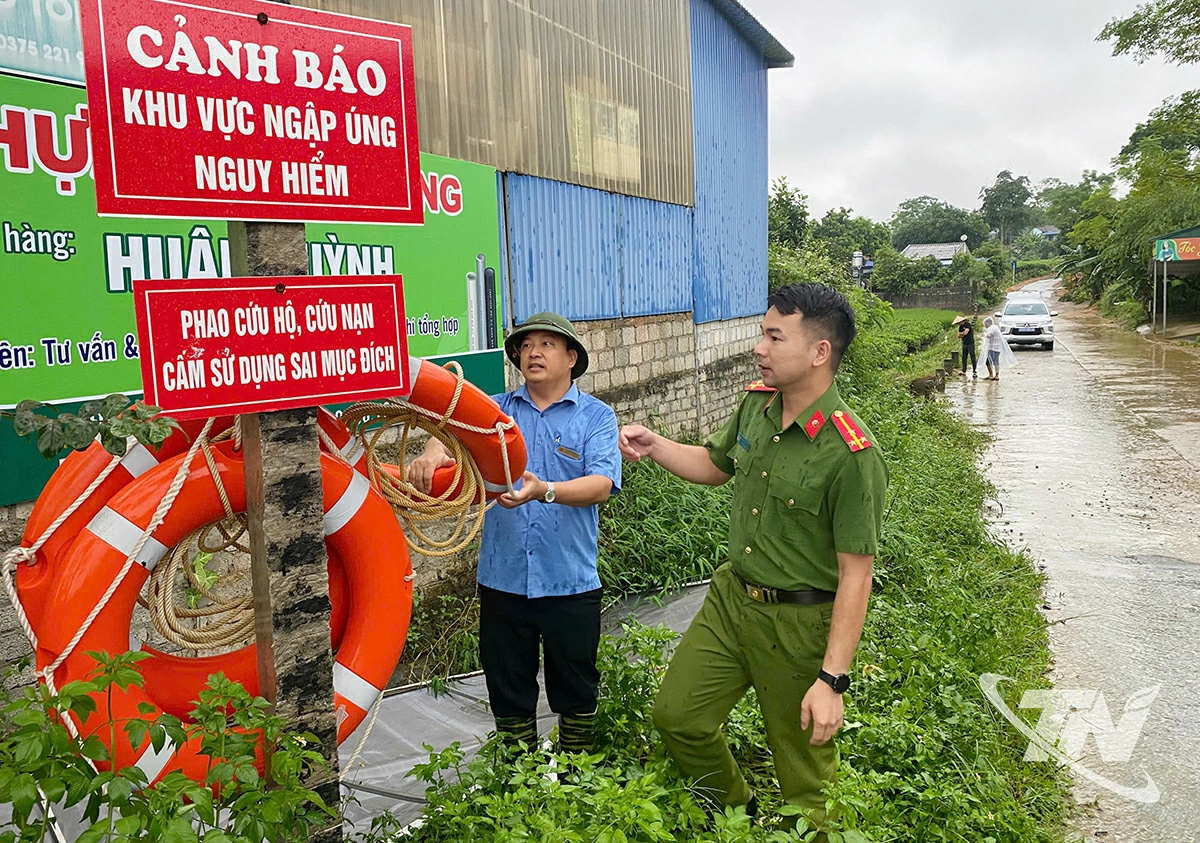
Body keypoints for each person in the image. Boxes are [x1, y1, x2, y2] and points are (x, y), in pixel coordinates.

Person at [618, 283, 888, 830]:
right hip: (730, 601)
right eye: (762, 334)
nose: (758, 347)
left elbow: (855, 576)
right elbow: (716, 465)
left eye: (773, 336)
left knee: (805, 774)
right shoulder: (755, 407)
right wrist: (657, 445)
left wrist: (832, 679)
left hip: (797, 624)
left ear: (819, 352)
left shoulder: (851, 453)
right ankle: (739, 816)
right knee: (679, 717)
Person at [406, 312, 621, 753]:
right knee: (508, 689)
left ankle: (578, 786)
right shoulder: (496, 411)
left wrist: (545, 491)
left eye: (546, 344)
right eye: (526, 346)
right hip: (503, 581)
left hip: (570, 580)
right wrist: (431, 451)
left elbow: (601, 484)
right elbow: (450, 432)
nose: (533, 352)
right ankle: (515, 787)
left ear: (571, 357)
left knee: (576, 688)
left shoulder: (596, 417)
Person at [981, 316, 1013, 381]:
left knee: (988, 362)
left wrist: (985, 334)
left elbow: (989, 335)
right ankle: (995, 375)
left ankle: (992, 375)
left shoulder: (992, 328)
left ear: (987, 323)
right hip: (996, 348)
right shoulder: (995, 327)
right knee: (995, 362)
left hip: (993, 348)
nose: (985, 326)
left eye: (985, 324)